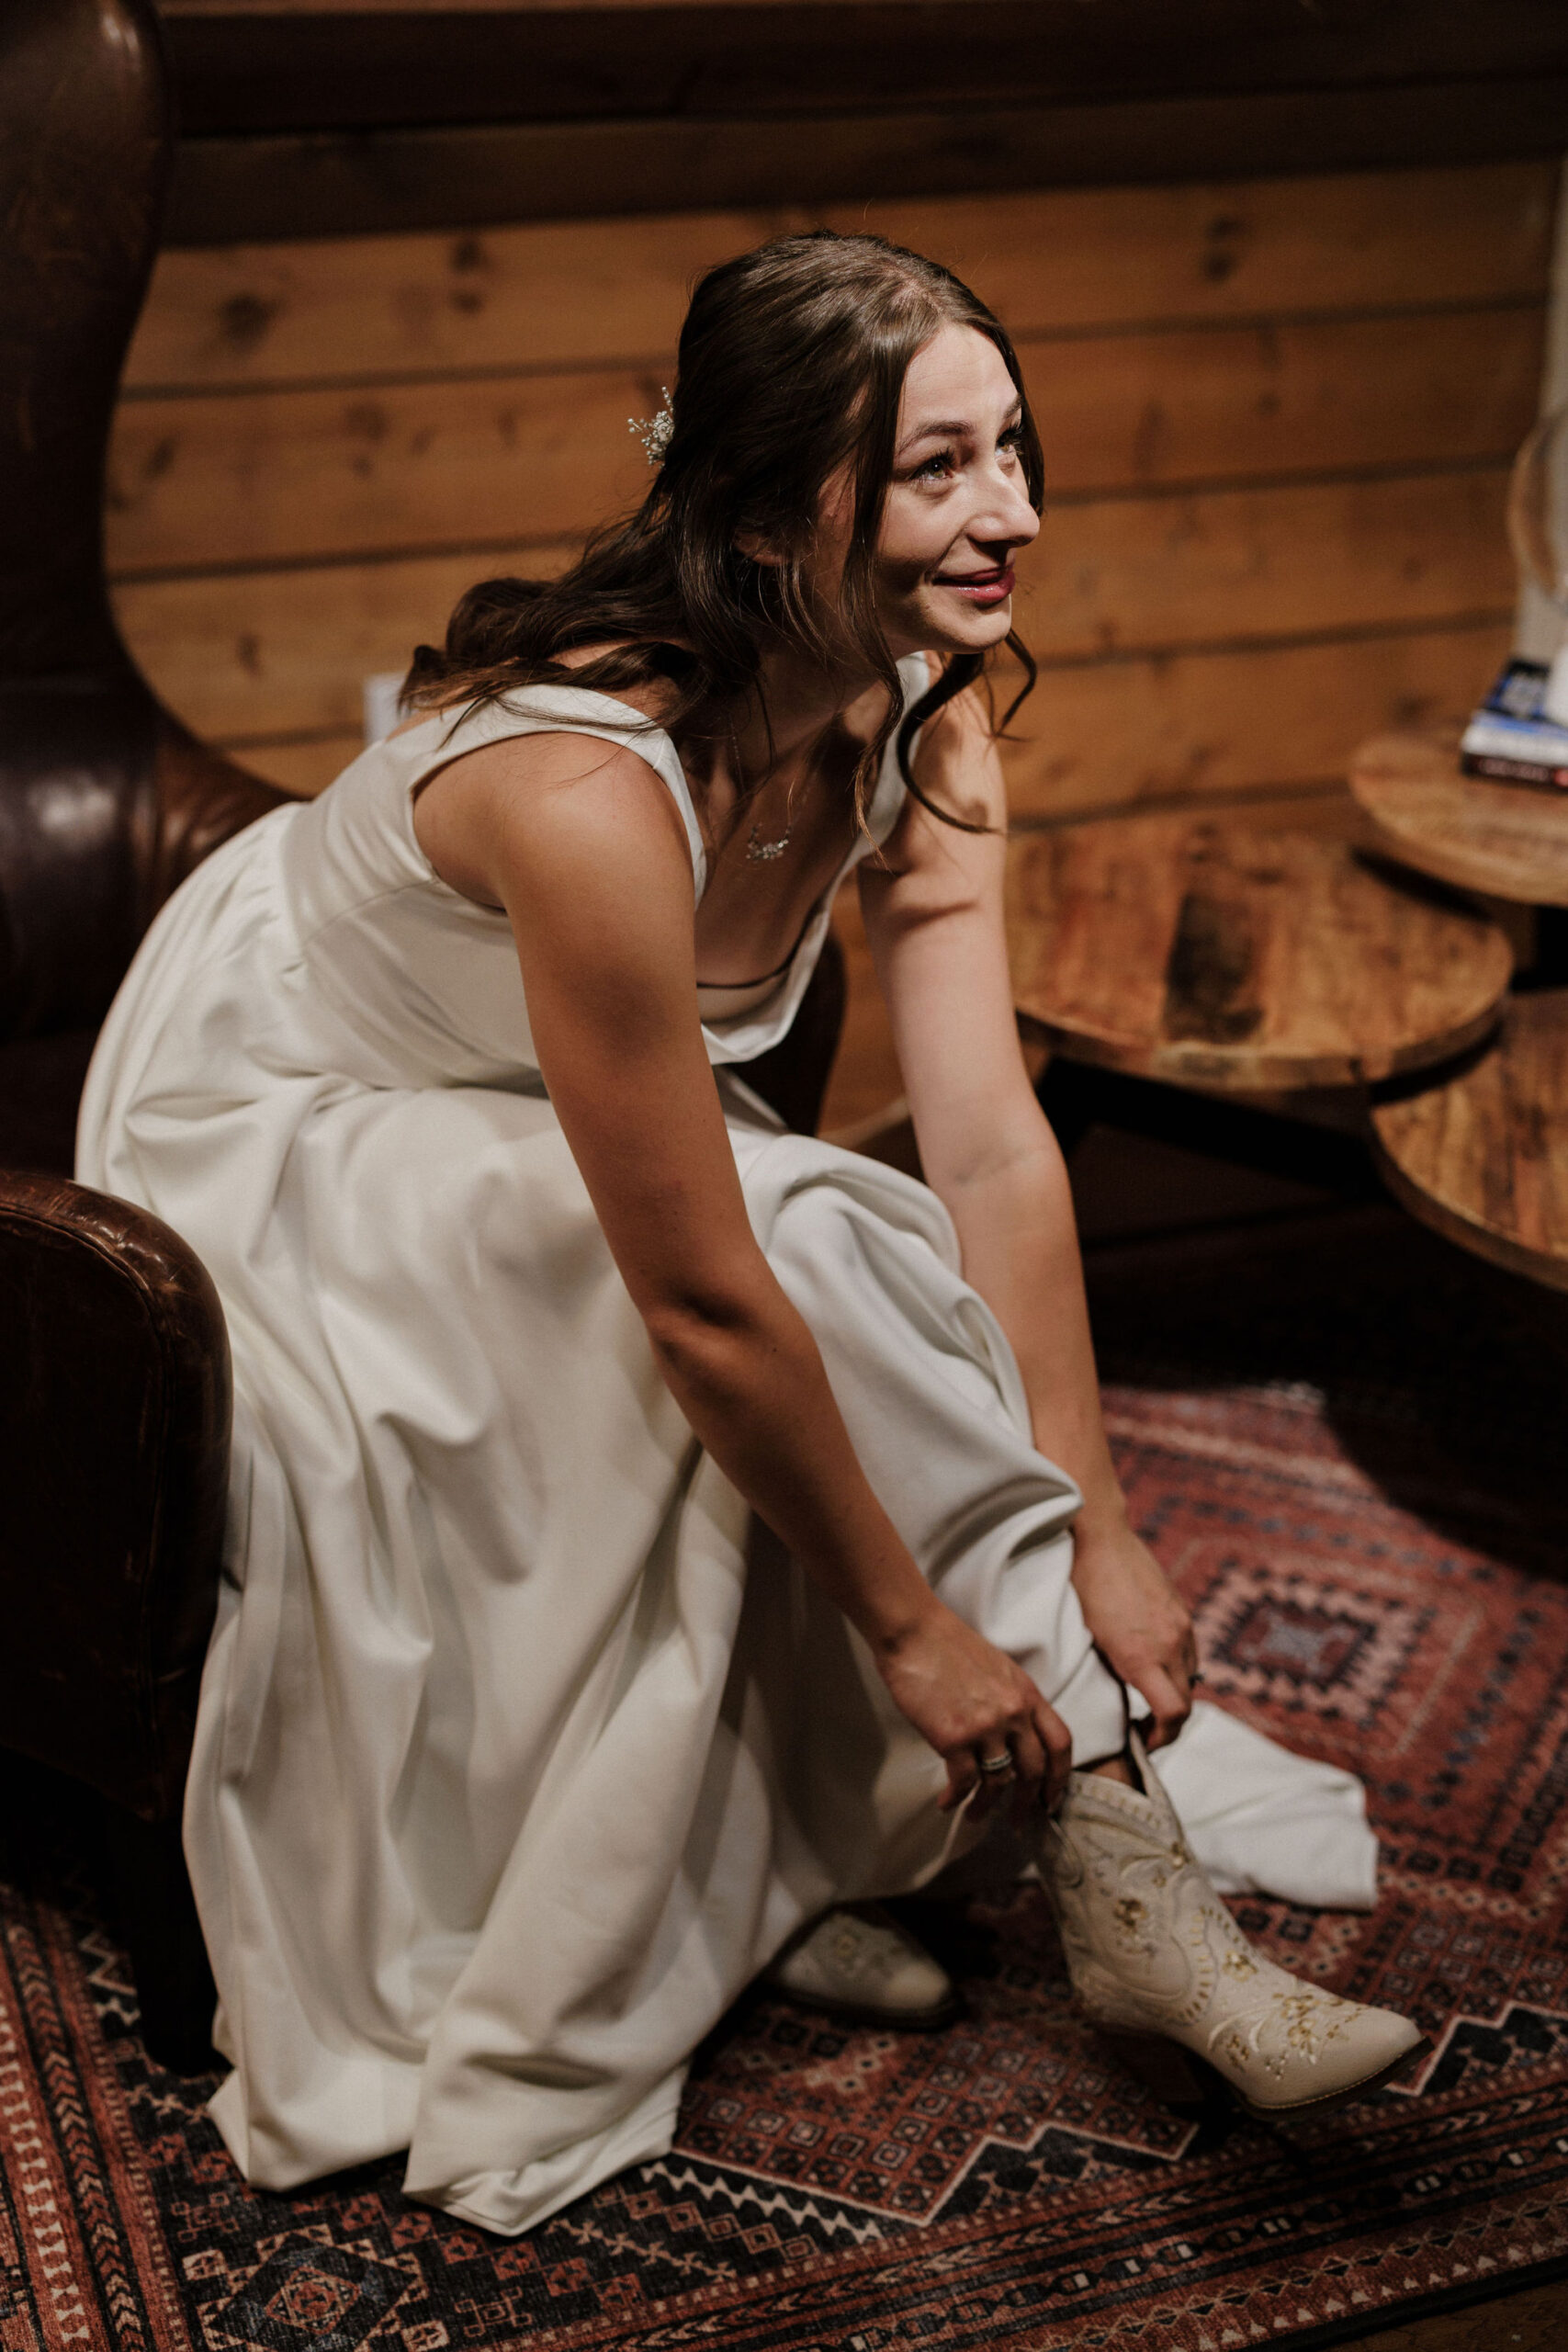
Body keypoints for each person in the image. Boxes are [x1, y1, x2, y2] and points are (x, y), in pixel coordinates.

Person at [76, 232, 1419, 2236]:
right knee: (791, 1238)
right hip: (285, 1117)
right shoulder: (583, 785)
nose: (1016, 512)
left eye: (1015, 449)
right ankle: (1116, 1879)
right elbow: (707, 1297)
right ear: (785, 499)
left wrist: (1097, 1512)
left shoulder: (928, 717)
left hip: (518, 1111)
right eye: (942, 467)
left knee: (840, 1235)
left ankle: (800, 1866)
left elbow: (989, 1139)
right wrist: (912, 1624)